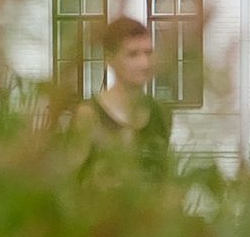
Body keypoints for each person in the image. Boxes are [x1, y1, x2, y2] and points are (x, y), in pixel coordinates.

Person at [68, 16, 172, 170]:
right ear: (109, 59)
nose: (144, 63)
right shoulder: (89, 115)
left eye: (148, 53)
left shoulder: (160, 114)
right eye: (133, 54)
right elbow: (73, 177)